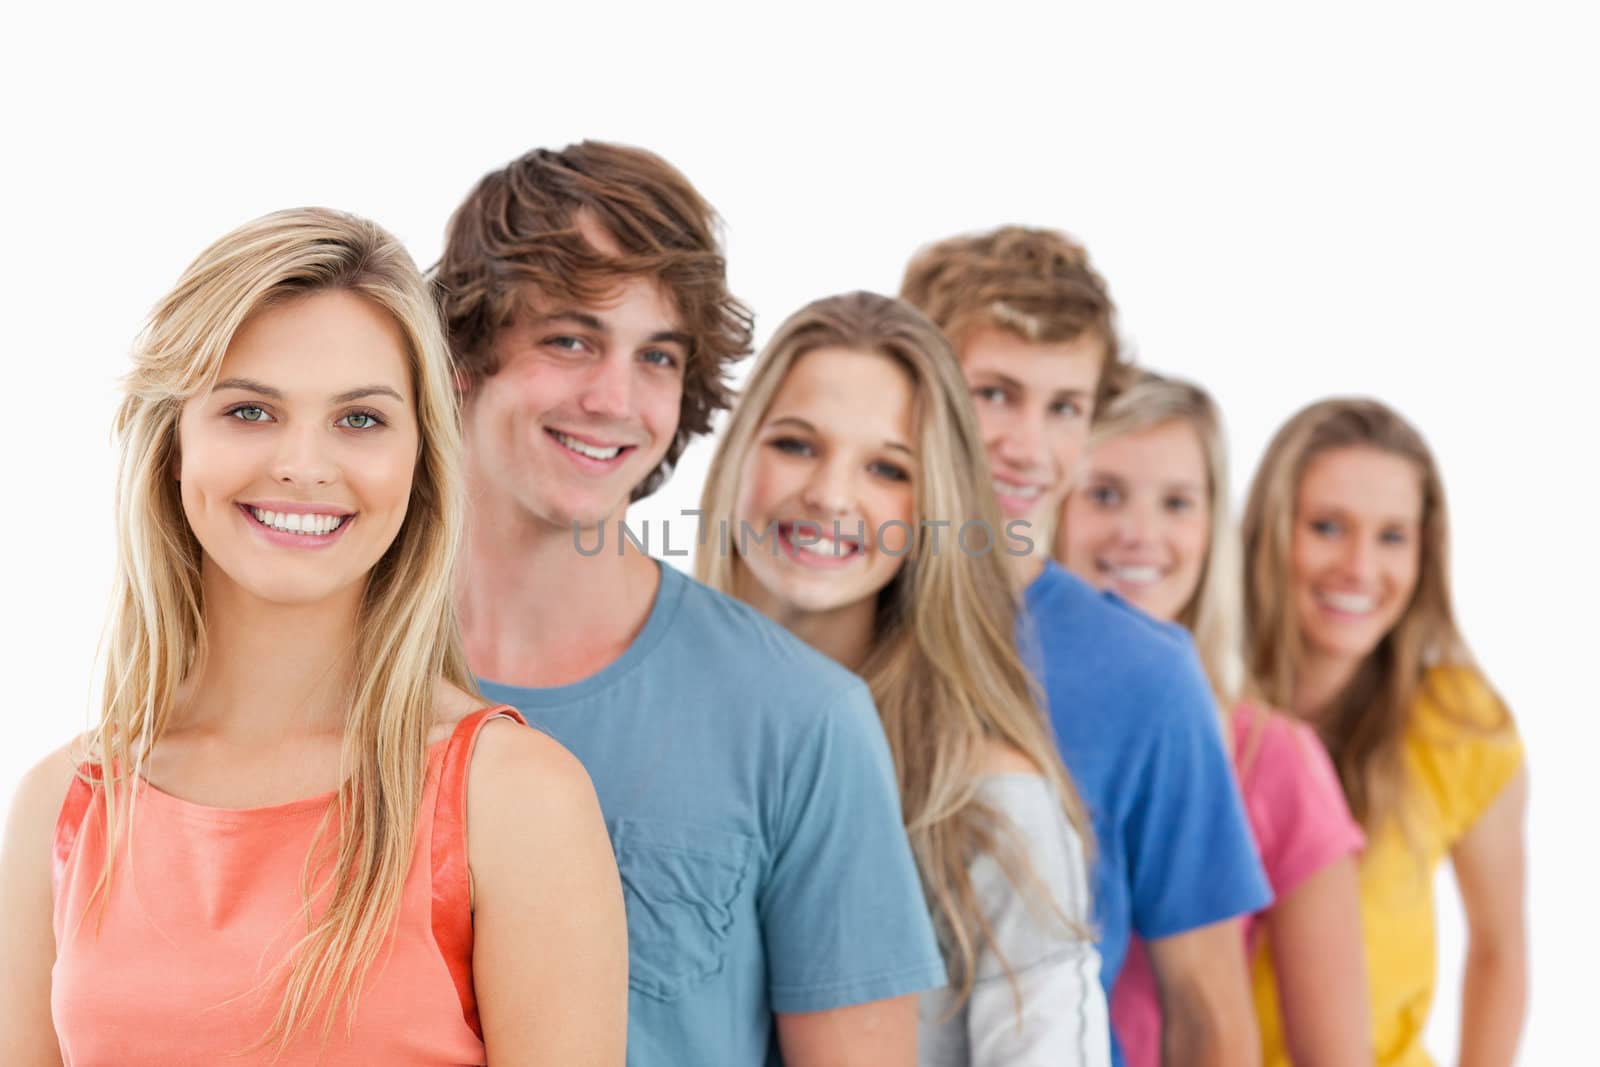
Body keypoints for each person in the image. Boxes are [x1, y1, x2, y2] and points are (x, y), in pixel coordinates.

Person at [0, 208, 627, 1065]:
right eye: (250, 410)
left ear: (419, 461)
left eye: (360, 419)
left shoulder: (514, 799)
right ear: (175, 445)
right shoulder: (63, 803)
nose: (303, 462)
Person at [434, 144, 946, 1067]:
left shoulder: (803, 720)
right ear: (464, 353)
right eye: (570, 339)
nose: (614, 399)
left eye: (657, 355)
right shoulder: (326, 672)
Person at [697, 290, 1112, 1065]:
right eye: (795, 444)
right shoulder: (656, 718)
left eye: (888, 468)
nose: (829, 494)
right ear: (738, 452)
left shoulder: (990, 801)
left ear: (932, 508)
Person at [901, 226, 1269, 1067]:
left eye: (1064, 406)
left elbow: (1210, 1016)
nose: (1028, 446)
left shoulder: (1147, 674)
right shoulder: (832, 622)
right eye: (994, 393)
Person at [1057, 370, 1370, 1066]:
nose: (1141, 534)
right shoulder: (994, 723)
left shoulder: (1275, 758)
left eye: (1178, 503)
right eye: (1104, 494)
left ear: (1212, 525)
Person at [1241, 398, 1528, 1067]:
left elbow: (1499, 949)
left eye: (1392, 536)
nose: (1360, 566)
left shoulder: (1457, 725)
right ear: (1268, 529)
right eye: (1327, 526)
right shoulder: (1202, 706)